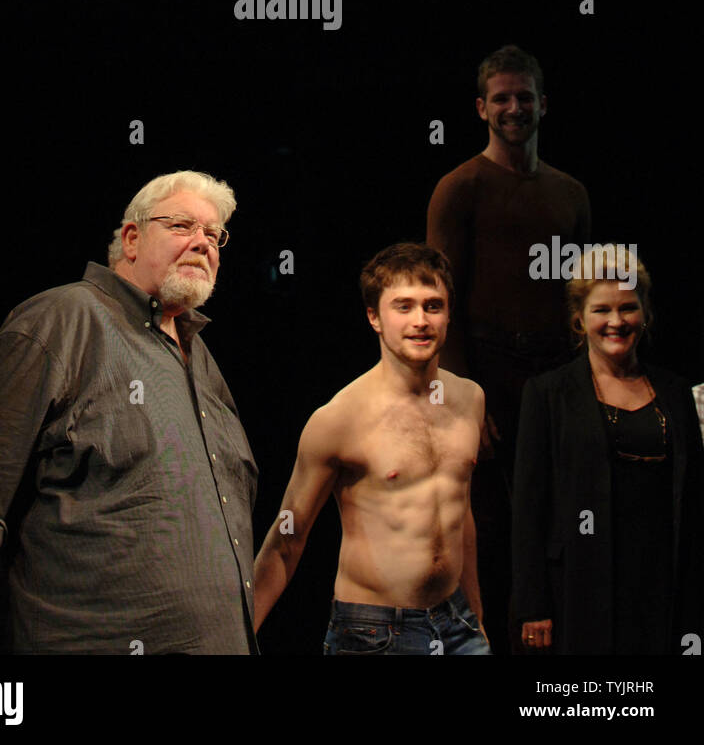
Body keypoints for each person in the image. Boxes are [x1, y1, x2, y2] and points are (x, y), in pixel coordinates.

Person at [0, 169, 258, 655]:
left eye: (213, 234)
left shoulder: (200, 356)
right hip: (91, 635)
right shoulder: (63, 317)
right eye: (182, 227)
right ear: (132, 238)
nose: (203, 243)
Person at [426, 45, 591, 651]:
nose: (514, 108)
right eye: (502, 98)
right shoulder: (459, 187)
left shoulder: (570, 194)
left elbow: (583, 299)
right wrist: (468, 396)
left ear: (544, 103)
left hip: (558, 373)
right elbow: (439, 300)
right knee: (490, 529)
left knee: (560, 520)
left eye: (524, 96)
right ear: (481, 107)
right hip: (488, 372)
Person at [254, 242, 490, 655]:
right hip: (373, 633)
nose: (421, 320)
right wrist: (239, 633)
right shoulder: (339, 420)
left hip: (456, 623)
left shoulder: (470, 398)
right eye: (403, 306)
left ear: (449, 313)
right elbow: (287, 538)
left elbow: (460, 513)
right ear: (374, 317)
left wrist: (477, 617)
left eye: (433, 306)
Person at [512, 247, 704, 655]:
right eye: (602, 310)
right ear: (579, 318)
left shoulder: (674, 392)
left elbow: (693, 505)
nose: (616, 321)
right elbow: (529, 509)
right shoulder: (547, 394)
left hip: (660, 585)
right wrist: (532, 606)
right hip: (579, 585)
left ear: (645, 313)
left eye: (628, 308)